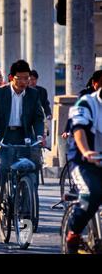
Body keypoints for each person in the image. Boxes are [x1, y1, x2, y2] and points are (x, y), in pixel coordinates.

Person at [0, 60, 45, 217]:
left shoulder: (33, 94)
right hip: (3, 137)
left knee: (34, 166)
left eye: (27, 78)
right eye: (21, 78)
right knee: (2, 167)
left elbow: (38, 118)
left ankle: (28, 202)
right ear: (12, 77)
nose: (25, 82)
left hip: (25, 137)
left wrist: (40, 135)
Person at [65, 87, 102, 253]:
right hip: (84, 162)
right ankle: (74, 232)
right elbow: (79, 130)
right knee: (91, 193)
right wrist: (86, 151)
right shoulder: (87, 103)